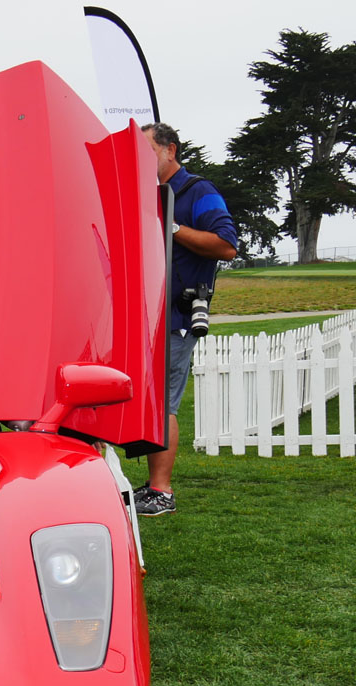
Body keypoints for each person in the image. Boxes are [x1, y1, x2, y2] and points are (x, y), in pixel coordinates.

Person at [135, 123, 237, 515]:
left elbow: (226, 245)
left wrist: (172, 226)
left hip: (177, 317)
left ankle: (162, 491)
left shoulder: (198, 191)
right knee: (148, 401)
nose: (142, 159)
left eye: (148, 151)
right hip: (146, 317)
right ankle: (152, 487)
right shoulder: (147, 192)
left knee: (163, 403)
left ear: (170, 150)